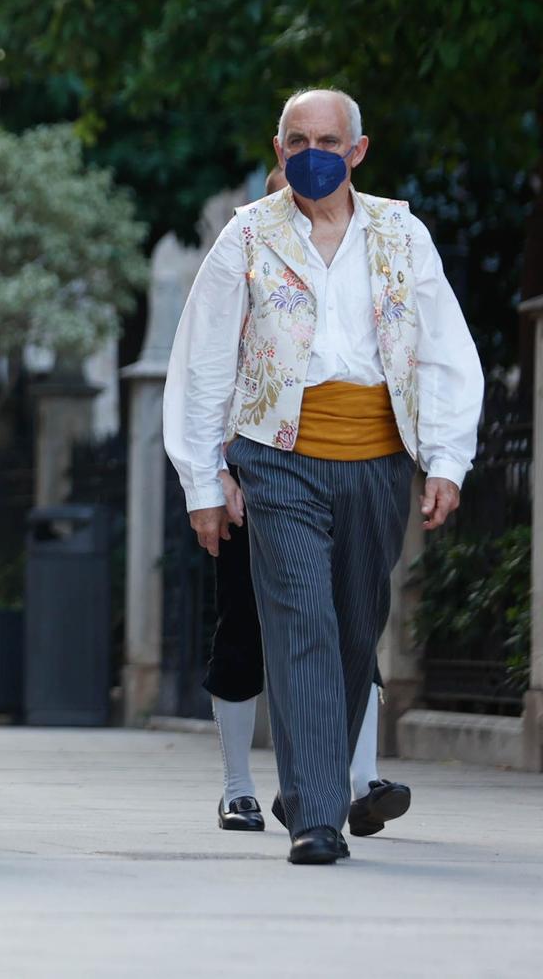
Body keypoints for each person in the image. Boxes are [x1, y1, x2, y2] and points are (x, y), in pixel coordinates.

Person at [165, 88, 482, 866]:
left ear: (358, 151)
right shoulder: (246, 236)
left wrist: (448, 457)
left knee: (351, 628)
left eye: (328, 139)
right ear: (279, 150)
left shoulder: (401, 233)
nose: (313, 152)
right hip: (277, 455)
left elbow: (444, 347)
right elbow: (203, 362)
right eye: (298, 139)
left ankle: (311, 783)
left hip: (377, 457)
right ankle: (316, 814)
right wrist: (203, 481)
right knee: (300, 621)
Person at [205, 164, 406, 840]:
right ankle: (242, 786)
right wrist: (216, 476)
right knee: (251, 629)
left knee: (349, 627)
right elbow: (211, 374)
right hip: (257, 470)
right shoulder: (246, 252)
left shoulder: (376, 250)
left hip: (355, 463)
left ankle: (351, 779)